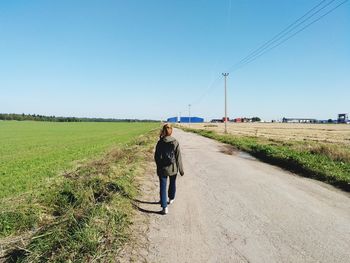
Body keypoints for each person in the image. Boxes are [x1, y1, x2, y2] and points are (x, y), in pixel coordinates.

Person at [154, 123, 184, 215]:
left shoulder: (160, 142)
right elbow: (178, 157)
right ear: (171, 131)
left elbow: (156, 157)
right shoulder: (175, 142)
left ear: (163, 131)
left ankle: (164, 207)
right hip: (173, 168)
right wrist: (181, 170)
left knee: (162, 187)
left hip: (162, 168)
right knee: (172, 183)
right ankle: (171, 198)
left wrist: (159, 166)